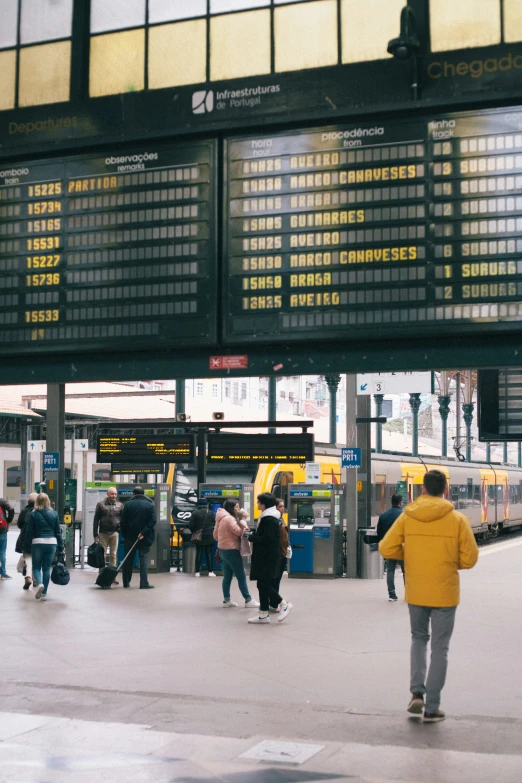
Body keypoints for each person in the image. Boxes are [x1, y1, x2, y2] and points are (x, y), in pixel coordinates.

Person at [379, 469, 479, 723]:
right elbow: (470, 558)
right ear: (445, 490)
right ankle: (432, 707)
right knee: (440, 649)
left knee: (418, 639)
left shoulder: (407, 517)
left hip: (416, 591)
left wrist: (412, 555)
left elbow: (386, 547)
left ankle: (416, 693)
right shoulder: (457, 519)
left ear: (422, 489)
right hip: (445, 592)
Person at [248, 492, 293, 624]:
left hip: (267, 556)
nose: (257, 504)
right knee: (262, 583)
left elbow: (267, 539)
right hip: (268, 555)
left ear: (263, 504)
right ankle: (263, 614)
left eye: (258, 502)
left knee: (263, 583)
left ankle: (283, 604)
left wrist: (252, 537)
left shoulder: (269, 519)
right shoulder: (271, 517)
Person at [214, 497, 259, 609]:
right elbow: (240, 532)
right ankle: (248, 600)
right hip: (232, 550)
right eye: (237, 507)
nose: (238, 509)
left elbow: (215, 535)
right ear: (231, 508)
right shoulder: (229, 519)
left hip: (223, 550)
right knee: (241, 575)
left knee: (227, 576)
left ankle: (227, 600)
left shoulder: (220, 518)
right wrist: (243, 519)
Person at [23, 493, 64, 601]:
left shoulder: (34, 514)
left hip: (37, 542)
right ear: (48, 501)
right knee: (46, 568)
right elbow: (58, 532)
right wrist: (61, 546)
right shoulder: (54, 514)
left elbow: (29, 531)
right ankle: (44, 593)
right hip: (51, 543)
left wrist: (26, 545)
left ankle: (40, 583)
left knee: (36, 567)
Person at [120, 486, 156, 589]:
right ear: (143, 493)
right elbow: (153, 520)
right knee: (143, 559)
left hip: (130, 536)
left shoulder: (127, 505)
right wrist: (143, 532)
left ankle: (126, 582)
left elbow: (123, 522)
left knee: (128, 559)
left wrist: (126, 534)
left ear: (133, 493)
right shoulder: (150, 505)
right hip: (145, 536)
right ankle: (144, 583)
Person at [377, 493, 404, 602]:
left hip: (390, 547)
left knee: (390, 570)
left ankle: (392, 595)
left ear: (391, 502)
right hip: (402, 547)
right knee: (406, 571)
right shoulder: (404, 515)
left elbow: (379, 533)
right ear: (400, 503)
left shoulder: (383, 516)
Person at [93, 486, 123, 585]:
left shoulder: (120, 505)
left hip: (114, 533)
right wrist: (95, 534)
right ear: (107, 494)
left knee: (113, 555)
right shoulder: (100, 505)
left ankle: (112, 576)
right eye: (112, 494)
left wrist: (119, 529)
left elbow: (123, 519)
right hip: (103, 533)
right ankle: (101, 575)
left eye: (115, 494)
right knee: (102, 555)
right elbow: (96, 519)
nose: (113, 496)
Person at [270, 498, 289, 613]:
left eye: (283, 507)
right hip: (278, 553)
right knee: (275, 579)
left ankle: (272, 602)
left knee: (276, 578)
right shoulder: (276, 521)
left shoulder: (281, 519)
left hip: (282, 552)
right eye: (280, 506)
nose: (282, 509)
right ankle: (274, 603)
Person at [189, 498, 216, 577]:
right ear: (206, 504)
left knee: (199, 553)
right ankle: (210, 571)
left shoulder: (195, 513)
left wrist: (194, 532)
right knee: (209, 553)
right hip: (209, 535)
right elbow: (215, 523)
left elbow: (191, 525)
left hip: (198, 536)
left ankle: (197, 571)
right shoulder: (211, 513)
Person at [16, 492, 37, 590]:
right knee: (36, 558)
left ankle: (28, 577)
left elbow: (19, 524)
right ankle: (35, 579)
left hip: (25, 537)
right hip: (37, 538)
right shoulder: (39, 511)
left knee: (28, 558)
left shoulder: (24, 510)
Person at [0, 497, 15, 580]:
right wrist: (8, 520)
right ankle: (2, 573)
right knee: (2, 551)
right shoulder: (2, 501)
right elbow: (11, 509)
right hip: (2, 529)